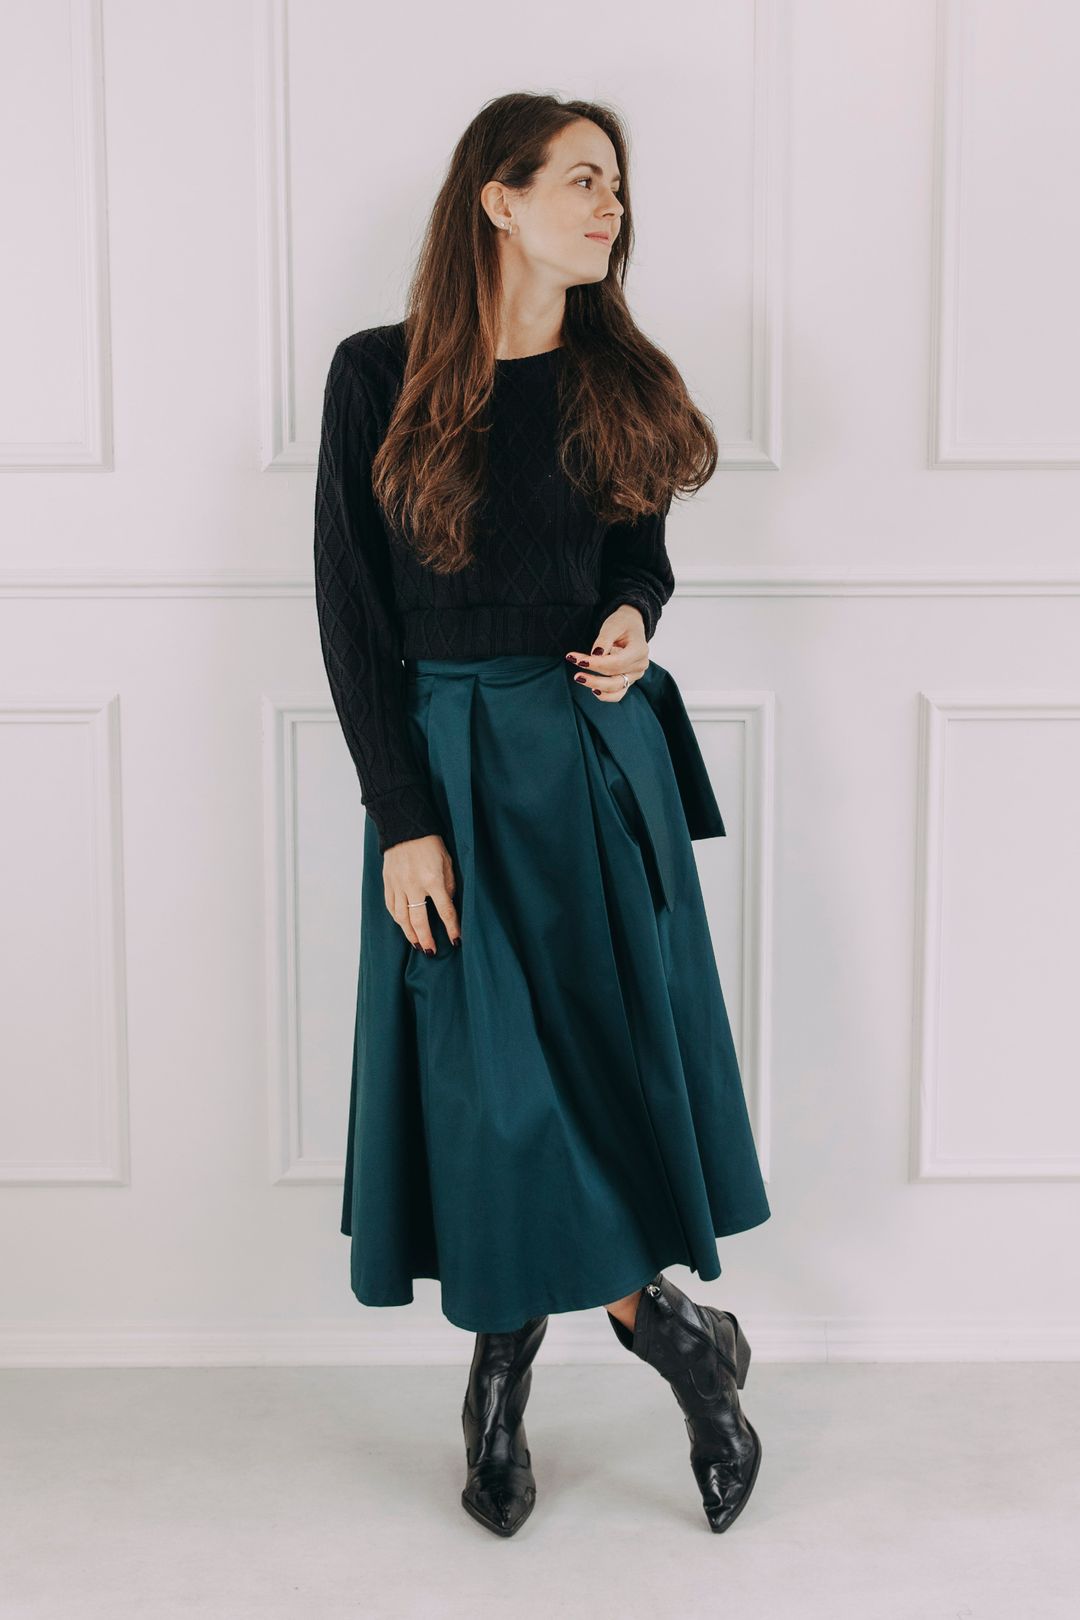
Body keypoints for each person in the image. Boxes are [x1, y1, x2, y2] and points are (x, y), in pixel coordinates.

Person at [313, 91, 771, 1539]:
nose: (608, 206)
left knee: (587, 1072)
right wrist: (401, 814)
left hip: (589, 756)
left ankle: (507, 1379)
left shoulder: (618, 375)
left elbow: (640, 556)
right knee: (492, 1086)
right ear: (497, 200)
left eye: (615, 185)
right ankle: (673, 1339)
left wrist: (633, 617)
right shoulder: (375, 374)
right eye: (580, 179)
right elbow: (351, 612)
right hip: (448, 769)